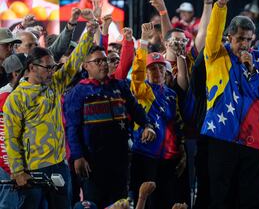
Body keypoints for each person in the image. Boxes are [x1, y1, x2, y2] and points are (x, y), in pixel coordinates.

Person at [2, 18, 98, 209]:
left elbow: (73, 63)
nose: (52, 72)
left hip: (59, 165)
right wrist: (18, 171)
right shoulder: (15, 98)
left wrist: (88, 33)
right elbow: (11, 138)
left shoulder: (54, 85)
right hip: (32, 169)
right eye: (48, 67)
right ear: (31, 68)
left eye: (54, 67)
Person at [202, 0, 259, 208]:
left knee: (249, 198)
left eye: (248, 40)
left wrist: (252, 70)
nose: (244, 44)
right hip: (221, 136)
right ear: (229, 37)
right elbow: (211, 34)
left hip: (251, 139)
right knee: (219, 195)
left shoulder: (258, 61)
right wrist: (220, 6)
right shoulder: (215, 55)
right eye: (240, 38)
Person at [64, 45, 155, 209]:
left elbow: (136, 109)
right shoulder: (77, 92)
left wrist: (147, 125)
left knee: (121, 204)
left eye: (105, 60)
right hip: (92, 163)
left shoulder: (120, 86)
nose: (103, 64)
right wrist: (78, 156)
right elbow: (72, 127)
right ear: (86, 66)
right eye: (97, 61)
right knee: (94, 204)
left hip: (120, 159)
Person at [129, 22, 185, 209]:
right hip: (144, 155)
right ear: (146, 71)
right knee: (144, 201)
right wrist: (143, 41)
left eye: (161, 68)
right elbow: (136, 74)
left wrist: (182, 150)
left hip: (167, 159)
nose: (157, 72)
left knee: (165, 201)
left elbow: (177, 125)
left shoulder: (171, 95)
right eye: (152, 68)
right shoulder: (142, 90)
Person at [0, 53, 26, 209]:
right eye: (27, 71)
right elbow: (4, 137)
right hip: (7, 167)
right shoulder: (5, 97)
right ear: (16, 74)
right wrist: (13, 169)